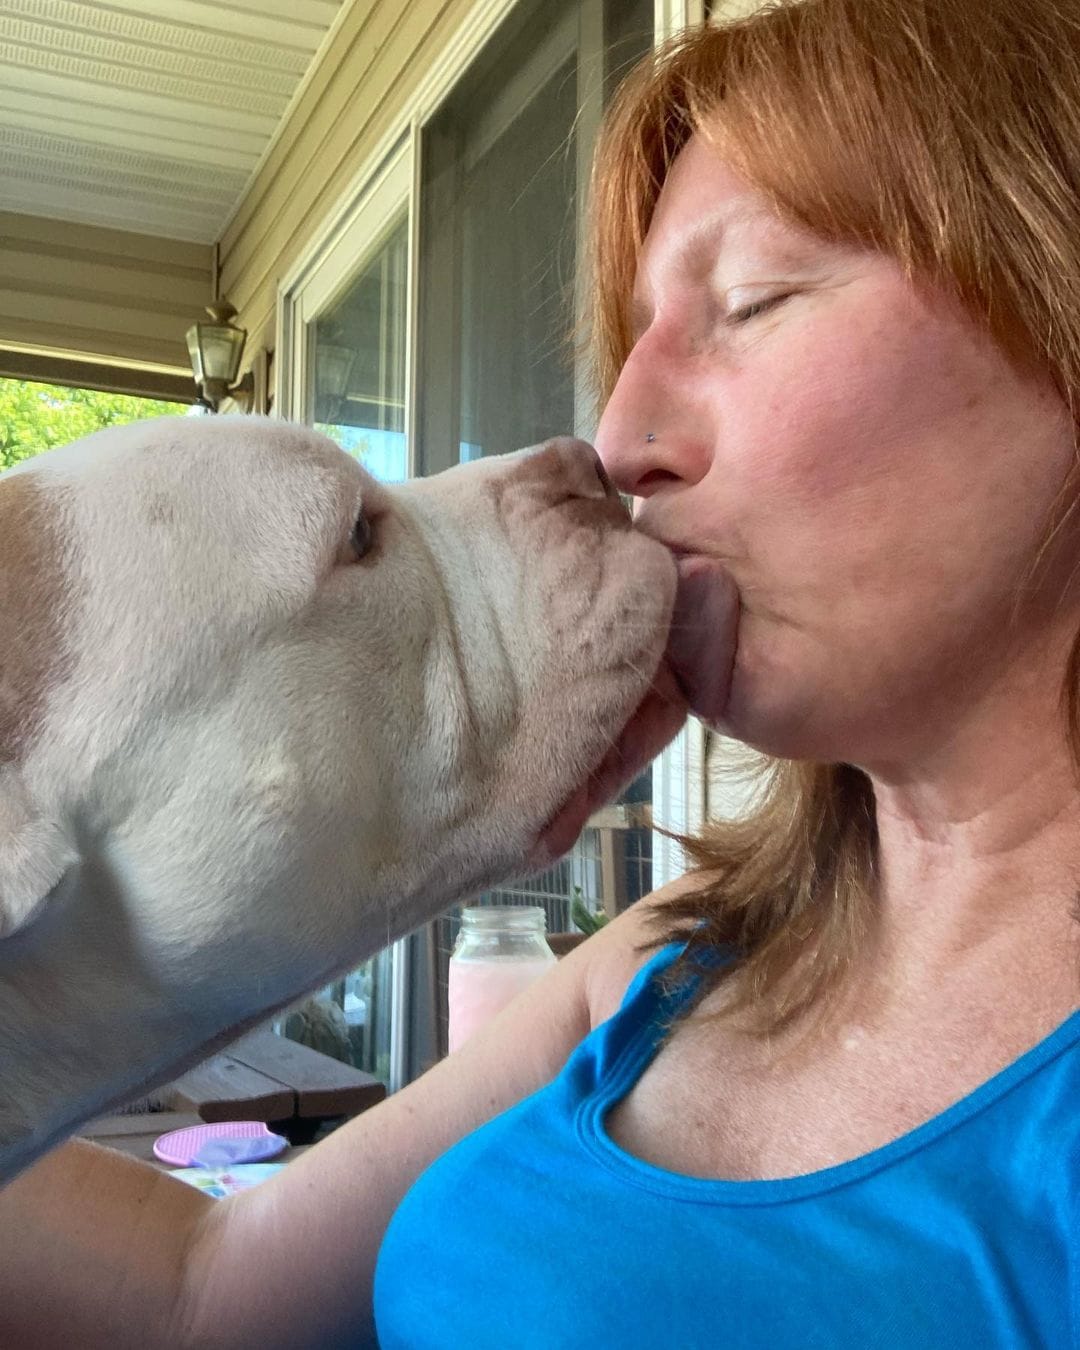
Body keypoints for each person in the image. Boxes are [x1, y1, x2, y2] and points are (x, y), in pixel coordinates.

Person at [3, 0, 1079, 1343]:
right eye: (633, 340)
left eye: (751, 299)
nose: (620, 435)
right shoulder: (669, 959)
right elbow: (199, 1290)